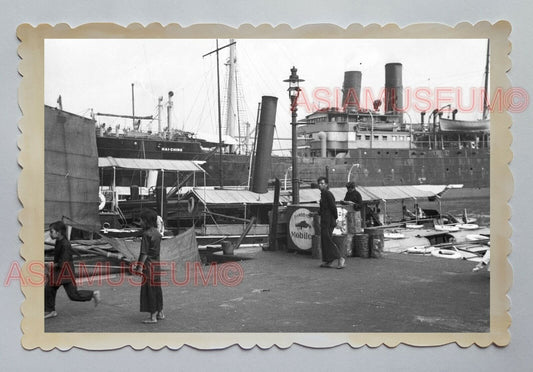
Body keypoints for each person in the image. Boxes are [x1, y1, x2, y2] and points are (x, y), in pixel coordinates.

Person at [45, 221, 101, 319]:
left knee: (73, 295)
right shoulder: (59, 240)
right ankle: (51, 311)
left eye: (51, 231)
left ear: (59, 232)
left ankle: (93, 293)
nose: (50, 233)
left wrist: (50, 265)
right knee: (50, 289)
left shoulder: (65, 244)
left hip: (65, 272)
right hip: (61, 271)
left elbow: (63, 263)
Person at [133, 209, 164, 323]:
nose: (139, 222)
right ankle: (160, 312)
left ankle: (153, 317)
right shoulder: (157, 233)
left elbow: (144, 253)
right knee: (157, 289)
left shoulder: (146, 234)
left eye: (141, 220)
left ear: (146, 221)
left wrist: (139, 267)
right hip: (157, 265)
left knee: (149, 290)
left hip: (149, 266)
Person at [317, 176, 345, 269]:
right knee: (325, 240)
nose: (320, 185)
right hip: (325, 221)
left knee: (327, 240)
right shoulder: (323, 195)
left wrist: (335, 219)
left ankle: (340, 258)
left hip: (329, 221)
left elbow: (333, 207)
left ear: (326, 184)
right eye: (319, 183)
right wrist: (316, 213)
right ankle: (328, 261)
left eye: (322, 183)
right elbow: (322, 209)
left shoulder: (328, 194)